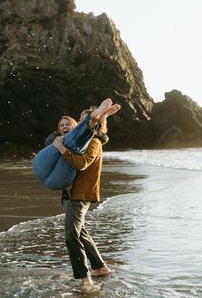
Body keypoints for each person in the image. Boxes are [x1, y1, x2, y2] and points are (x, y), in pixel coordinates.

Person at [52, 100, 121, 293]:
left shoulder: (95, 142)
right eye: (81, 121)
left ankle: (85, 279)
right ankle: (99, 267)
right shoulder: (78, 140)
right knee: (81, 232)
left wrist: (62, 149)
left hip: (80, 195)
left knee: (71, 236)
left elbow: (81, 164)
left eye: (87, 121)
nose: (84, 124)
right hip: (69, 193)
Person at [33, 98, 114, 190]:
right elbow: (50, 148)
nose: (64, 127)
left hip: (74, 190)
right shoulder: (55, 137)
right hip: (45, 171)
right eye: (61, 125)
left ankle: (95, 120)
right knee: (73, 142)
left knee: (76, 143)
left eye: (85, 121)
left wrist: (61, 146)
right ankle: (95, 120)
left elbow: (81, 164)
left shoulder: (94, 142)